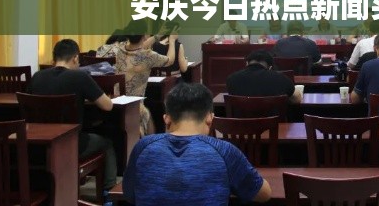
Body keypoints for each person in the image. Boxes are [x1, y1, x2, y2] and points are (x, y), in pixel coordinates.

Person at [123, 82, 272, 205]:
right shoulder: (224, 151)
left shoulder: (143, 146)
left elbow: (129, 194)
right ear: (210, 118)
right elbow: (264, 194)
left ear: (166, 119)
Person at [28, 39, 118, 192]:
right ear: (76, 58)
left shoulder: (37, 77)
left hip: (39, 146)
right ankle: (109, 193)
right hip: (71, 144)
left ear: (54, 58)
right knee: (107, 143)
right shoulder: (80, 77)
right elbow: (107, 106)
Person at [115, 19, 177, 136]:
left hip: (116, 102)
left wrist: (157, 36)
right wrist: (172, 41)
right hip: (134, 106)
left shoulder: (120, 49)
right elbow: (170, 60)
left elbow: (139, 46)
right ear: (144, 35)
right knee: (149, 112)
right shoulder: (148, 56)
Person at [226, 50, 301, 103]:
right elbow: (297, 99)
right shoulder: (281, 78)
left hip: (241, 121)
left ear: (247, 63)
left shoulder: (232, 79)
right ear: (270, 68)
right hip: (274, 121)